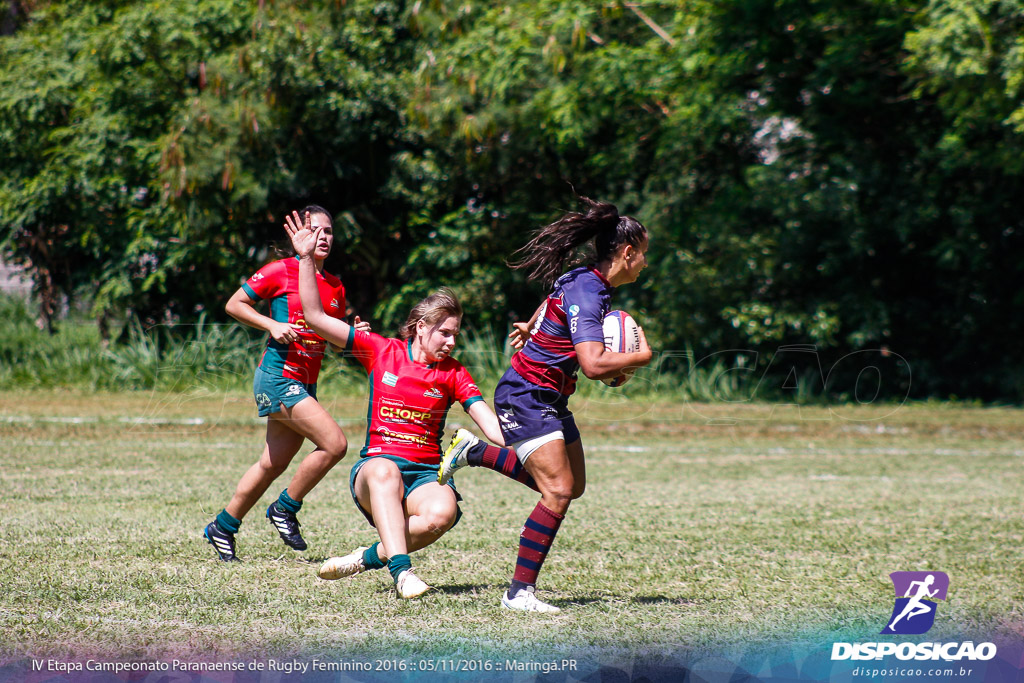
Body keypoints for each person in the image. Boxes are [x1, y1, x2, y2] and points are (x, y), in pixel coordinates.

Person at [438, 196, 653, 612]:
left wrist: (536, 325)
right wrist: (640, 358)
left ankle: (475, 452)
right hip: (526, 394)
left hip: (547, 394)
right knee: (558, 491)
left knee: (573, 485)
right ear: (626, 253)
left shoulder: (585, 279)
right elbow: (592, 365)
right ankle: (519, 593)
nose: (645, 262)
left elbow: (555, 299)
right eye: (643, 254)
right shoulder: (592, 293)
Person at [283, 212, 507, 599]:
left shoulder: (454, 373)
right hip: (374, 472)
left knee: (442, 513)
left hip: (423, 475)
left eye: (456, 334)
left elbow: (491, 426)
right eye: (445, 332)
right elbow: (315, 317)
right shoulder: (381, 350)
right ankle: (402, 574)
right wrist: (305, 260)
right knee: (385, 470)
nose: (452, 342)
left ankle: (368, 557)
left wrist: (527, 428)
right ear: (421, 326)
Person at [203, 205, 367, 562]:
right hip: (277, 376)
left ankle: (223, 526)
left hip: (305, 384)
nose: (323, 237)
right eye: (315, 230)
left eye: (329, 231)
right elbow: (235, 304)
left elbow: (332, 336)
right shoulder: (281, 271)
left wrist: (356, 336)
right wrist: (270, 325)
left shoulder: (335, 285)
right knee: (335, 444)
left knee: (271, 465)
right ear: (298, 236)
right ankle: (284, 508)